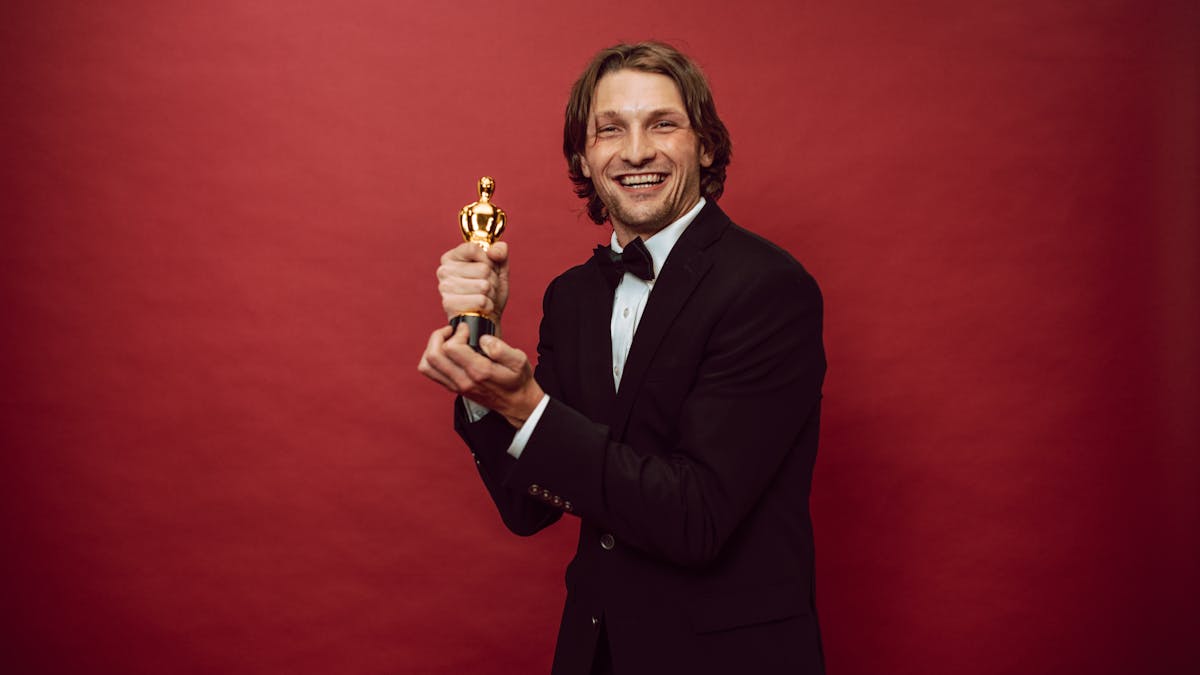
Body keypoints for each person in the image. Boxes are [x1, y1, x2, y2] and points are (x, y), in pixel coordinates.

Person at [418, 41, 826, 675]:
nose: (636, 151)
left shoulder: (769, 288)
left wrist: (527, 405)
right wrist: (480, 350)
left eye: (662, 124)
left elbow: (696, 517)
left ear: (707, 146)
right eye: (611, 130)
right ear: (584, 156)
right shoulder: (573, 296)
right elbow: (528, 508)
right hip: (596, 655)